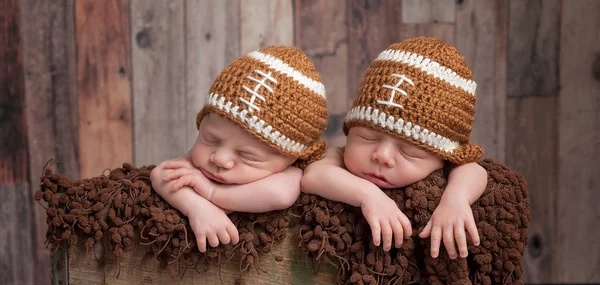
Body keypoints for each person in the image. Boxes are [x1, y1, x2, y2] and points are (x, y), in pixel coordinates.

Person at [301, 37, 487, 259]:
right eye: (367, 138)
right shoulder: (339, 158)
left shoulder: (452, 166)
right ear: (350, 131)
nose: (382, 156)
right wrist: (368, 196)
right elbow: (313, 175)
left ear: (445, 158)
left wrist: (456, 199)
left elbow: (474, 170)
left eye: (409, 152)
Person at [151, 46, 328, 252]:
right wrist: (197, 208)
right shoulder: (200, 161)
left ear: (292, 158)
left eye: (247, 155)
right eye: (211, 139)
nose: (220, 158)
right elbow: (160, 174)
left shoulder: (291, 174)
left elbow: (281, 195)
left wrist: (211, 193)